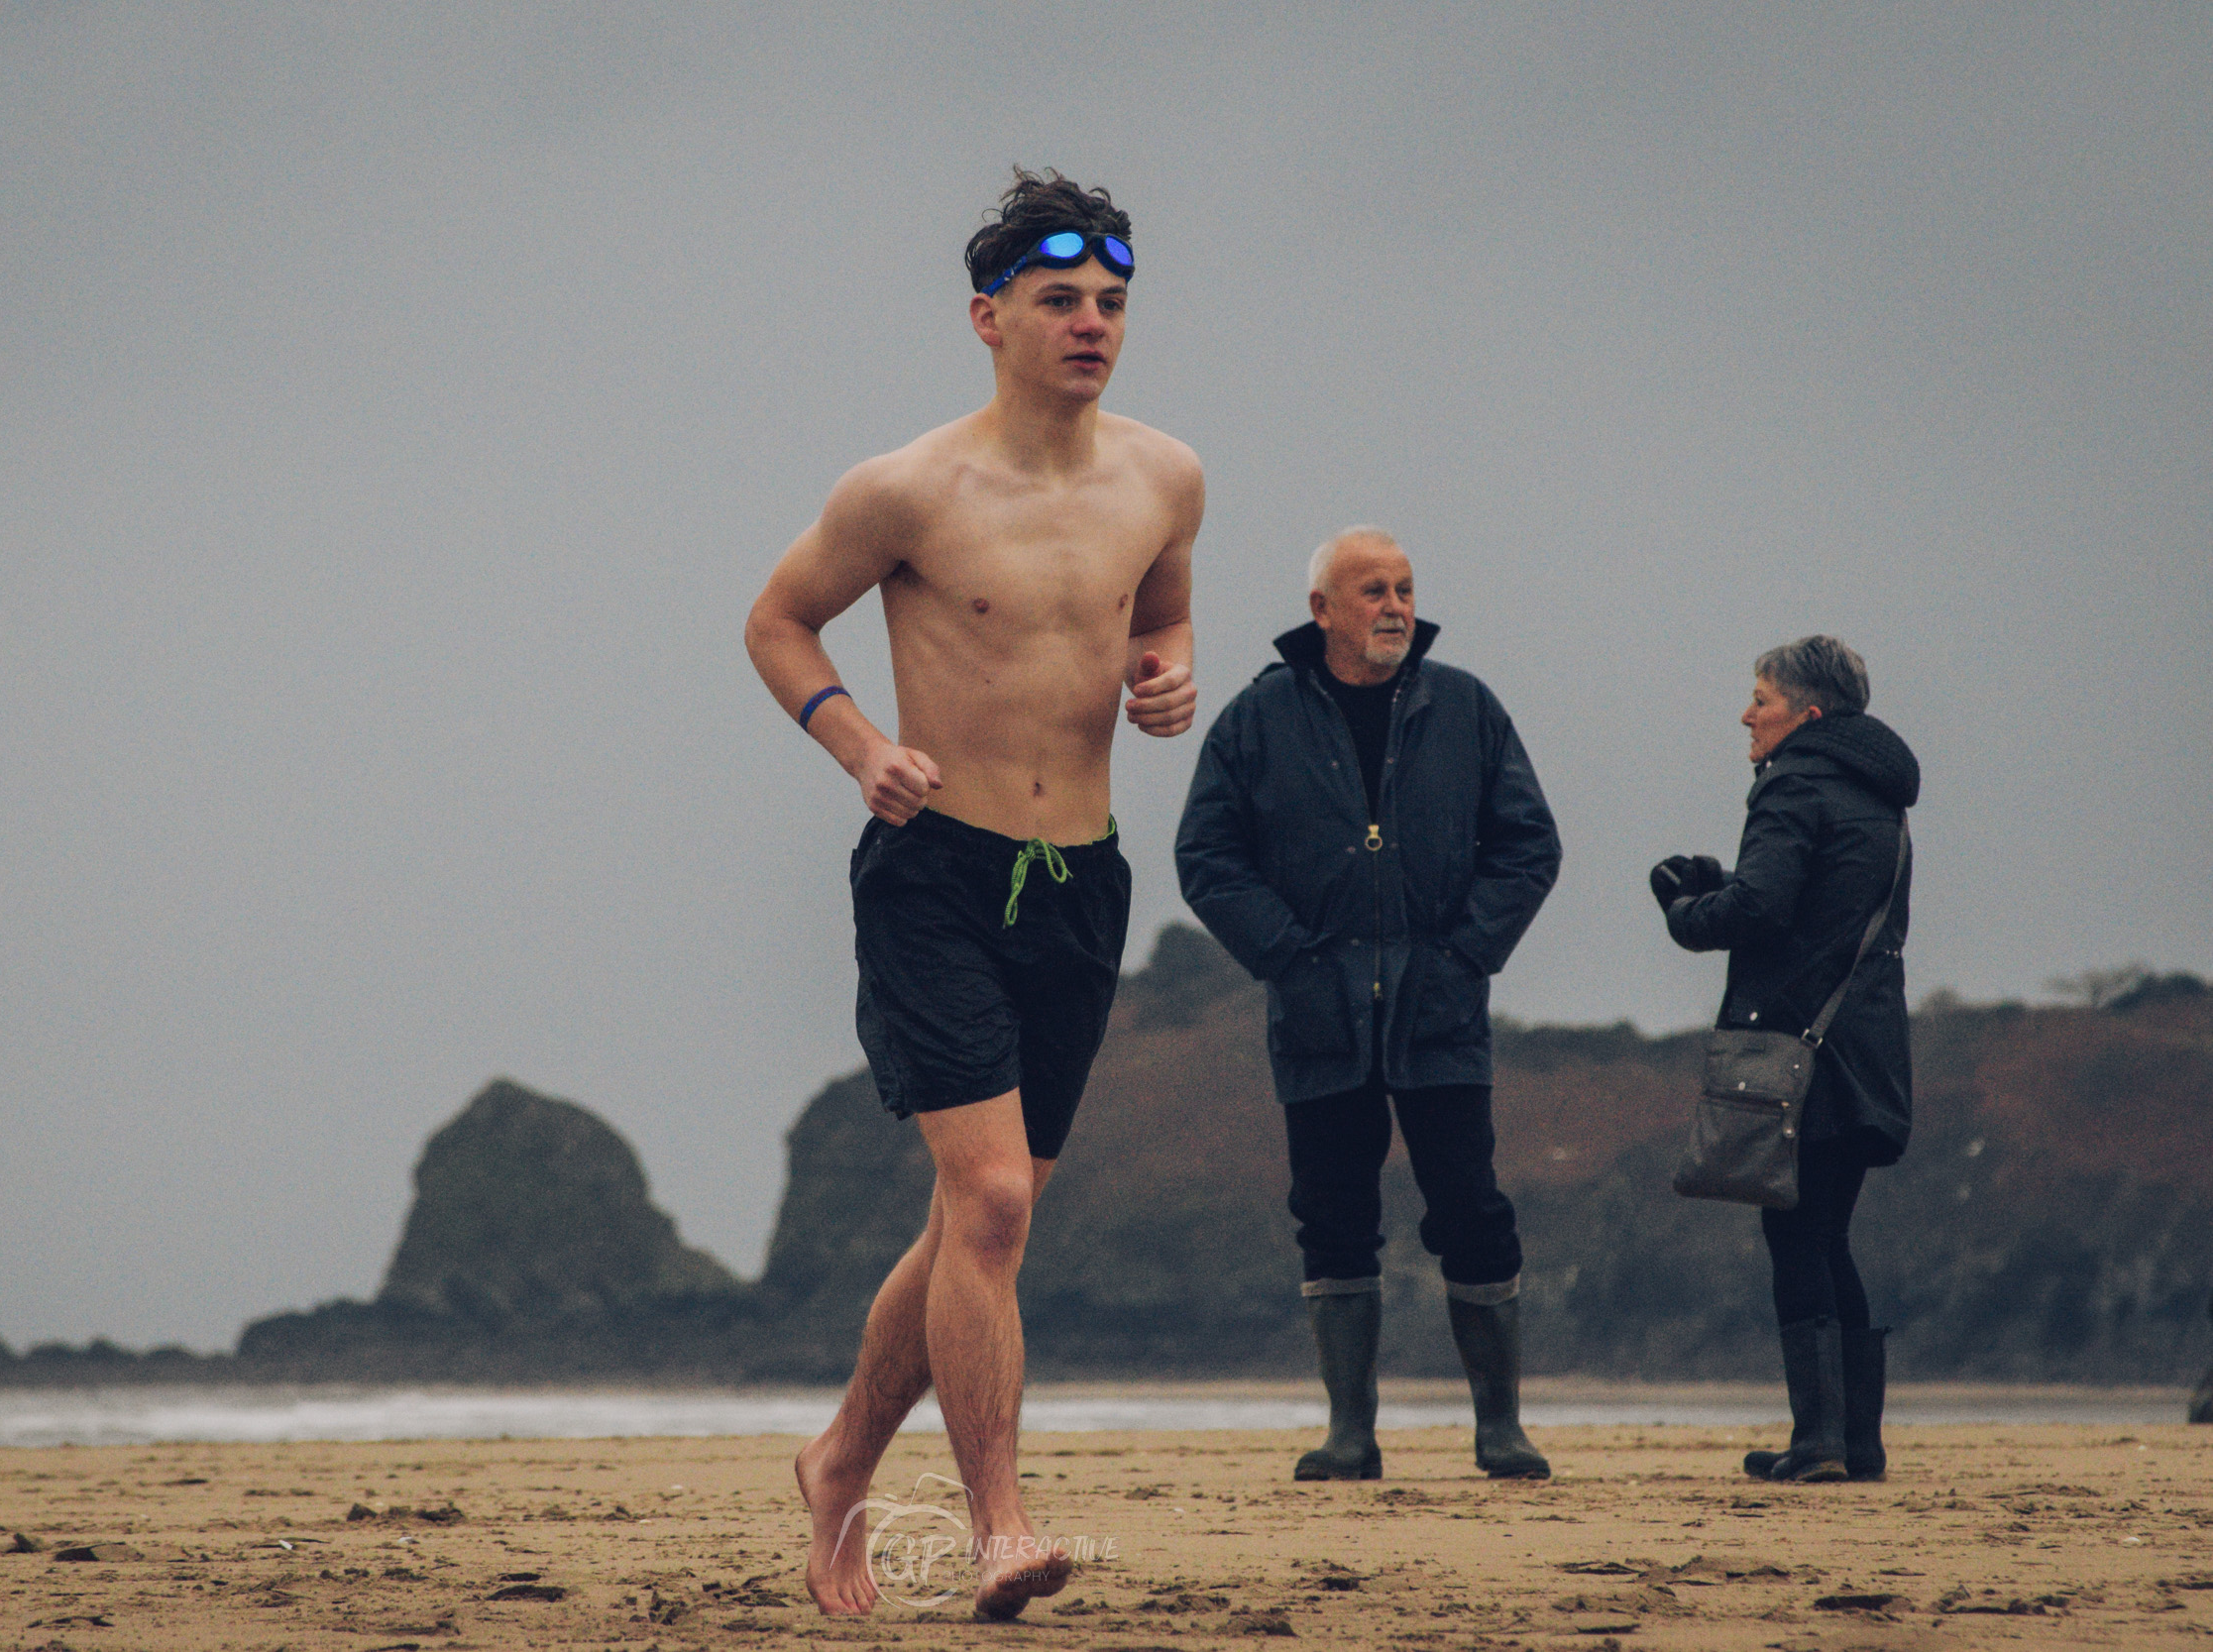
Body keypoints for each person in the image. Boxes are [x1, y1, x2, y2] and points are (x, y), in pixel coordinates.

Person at [744, 170, 1201, 1618]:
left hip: (1083, 878)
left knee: (974, 1222)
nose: (1091, 324)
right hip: (936, 868)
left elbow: (1165, 599)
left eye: (1111, 302)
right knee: (992, 1196)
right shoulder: (906, 490)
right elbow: (777, 619)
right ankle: (1002, 1520)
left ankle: (839, 1463)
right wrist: (860, 743)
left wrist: (1165, 668)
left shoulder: (1165, 475)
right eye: (1061, 300)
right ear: (987, 318)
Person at [1175, 527, 1560, 1483]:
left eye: (1405, 588)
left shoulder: (1464, 705)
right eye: (1374, 591)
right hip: (1318, 1011)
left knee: (1472, 1209)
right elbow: (1206, 859)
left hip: (1440, 1012)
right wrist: (1293, 961)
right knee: (1333, 1216)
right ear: (1322, 611)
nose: (1396, 606)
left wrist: (1465, 954)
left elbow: (1530, 846)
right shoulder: (1256, 719)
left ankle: (1500, 1427)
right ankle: (1351, 1433)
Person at [1650, 635, 1919, 1483]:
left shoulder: (1793, 783)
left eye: (1759, 696)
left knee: (1797, 1235)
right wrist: (1724, 882)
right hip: (1866, 1051)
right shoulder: (1878, 795)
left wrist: (1685, 906)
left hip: (1799, 1055)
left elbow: (1763, 909)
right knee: (1829, 1235)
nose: (1746, 711)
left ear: (1807, 712)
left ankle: (1821, 1440)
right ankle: (1853, 1440)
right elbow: (1818, 905)